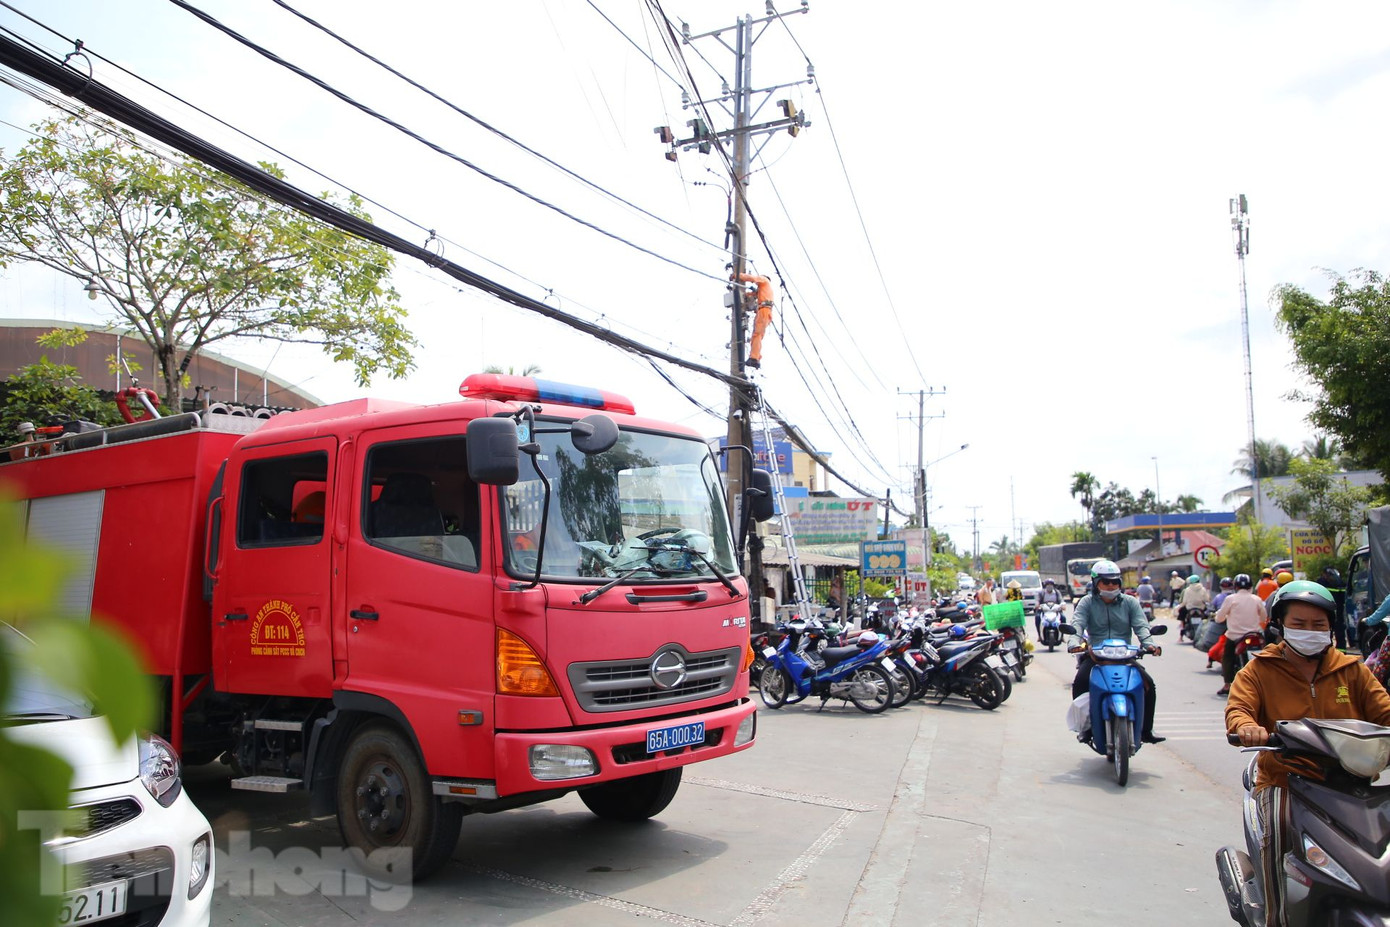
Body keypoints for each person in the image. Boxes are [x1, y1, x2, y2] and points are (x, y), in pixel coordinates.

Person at [1226, 580, 1390, 927]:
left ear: (1331, 627)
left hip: (1351, 780)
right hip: (1285, 780)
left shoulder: (1352, 669)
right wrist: (1246, 727)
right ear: (1280, 625)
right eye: (1299, 624)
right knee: (1277, 832)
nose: (1310, 631)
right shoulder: (1259, 670)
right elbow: (1238, 709)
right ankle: (1275, 915)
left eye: (1319, 625)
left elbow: (1384, 711)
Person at [1067, 559, 1165, 744]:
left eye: (1115, 582)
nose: (1111, 586)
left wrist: (1149, 644)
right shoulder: (1086, 602)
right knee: (1080, 682)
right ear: (1096, 583)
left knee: (1148, 685)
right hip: (1096, 656)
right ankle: (1086, 729)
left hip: (1124, 657)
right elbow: (1077, 624)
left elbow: (1141, 626)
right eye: (1106, 581)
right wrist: (1073, 642)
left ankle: (1146, 730)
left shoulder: (1130, 602)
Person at [1215, 573, 1267, 696]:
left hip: (1235, 636)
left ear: (1236, 586)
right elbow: (1264, 617)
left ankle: (1227, 684)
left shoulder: (1230, 599)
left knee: (1227, 658)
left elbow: (1219, 618)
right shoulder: (1257, 599)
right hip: (1255, 635)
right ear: (1250, 586)